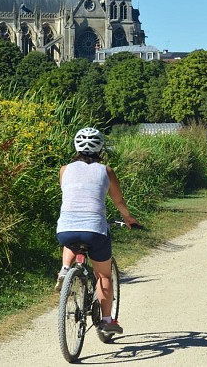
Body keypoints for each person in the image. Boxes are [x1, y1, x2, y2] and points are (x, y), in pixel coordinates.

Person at [54, 127, 139, 335]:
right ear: (100, 147)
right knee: (103, 276)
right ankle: (108, 321)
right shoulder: (106, 171)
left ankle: (66, 268)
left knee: (72, 238)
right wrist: (129, 219)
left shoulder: (64, 169)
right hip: (94, 230)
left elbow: (70, 194)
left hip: (65, 228)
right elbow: (118, 200)